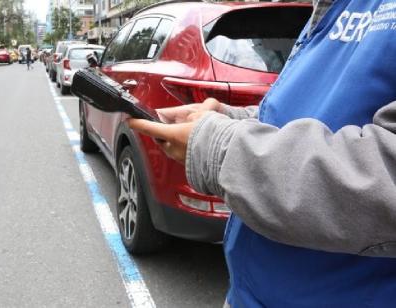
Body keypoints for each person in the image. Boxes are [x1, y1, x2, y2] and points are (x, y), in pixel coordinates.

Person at [129, 0, 396, 307]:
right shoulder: (334, 7)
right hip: (252, 291)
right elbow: (306, 113)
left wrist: (220, 147)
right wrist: (234, 119)